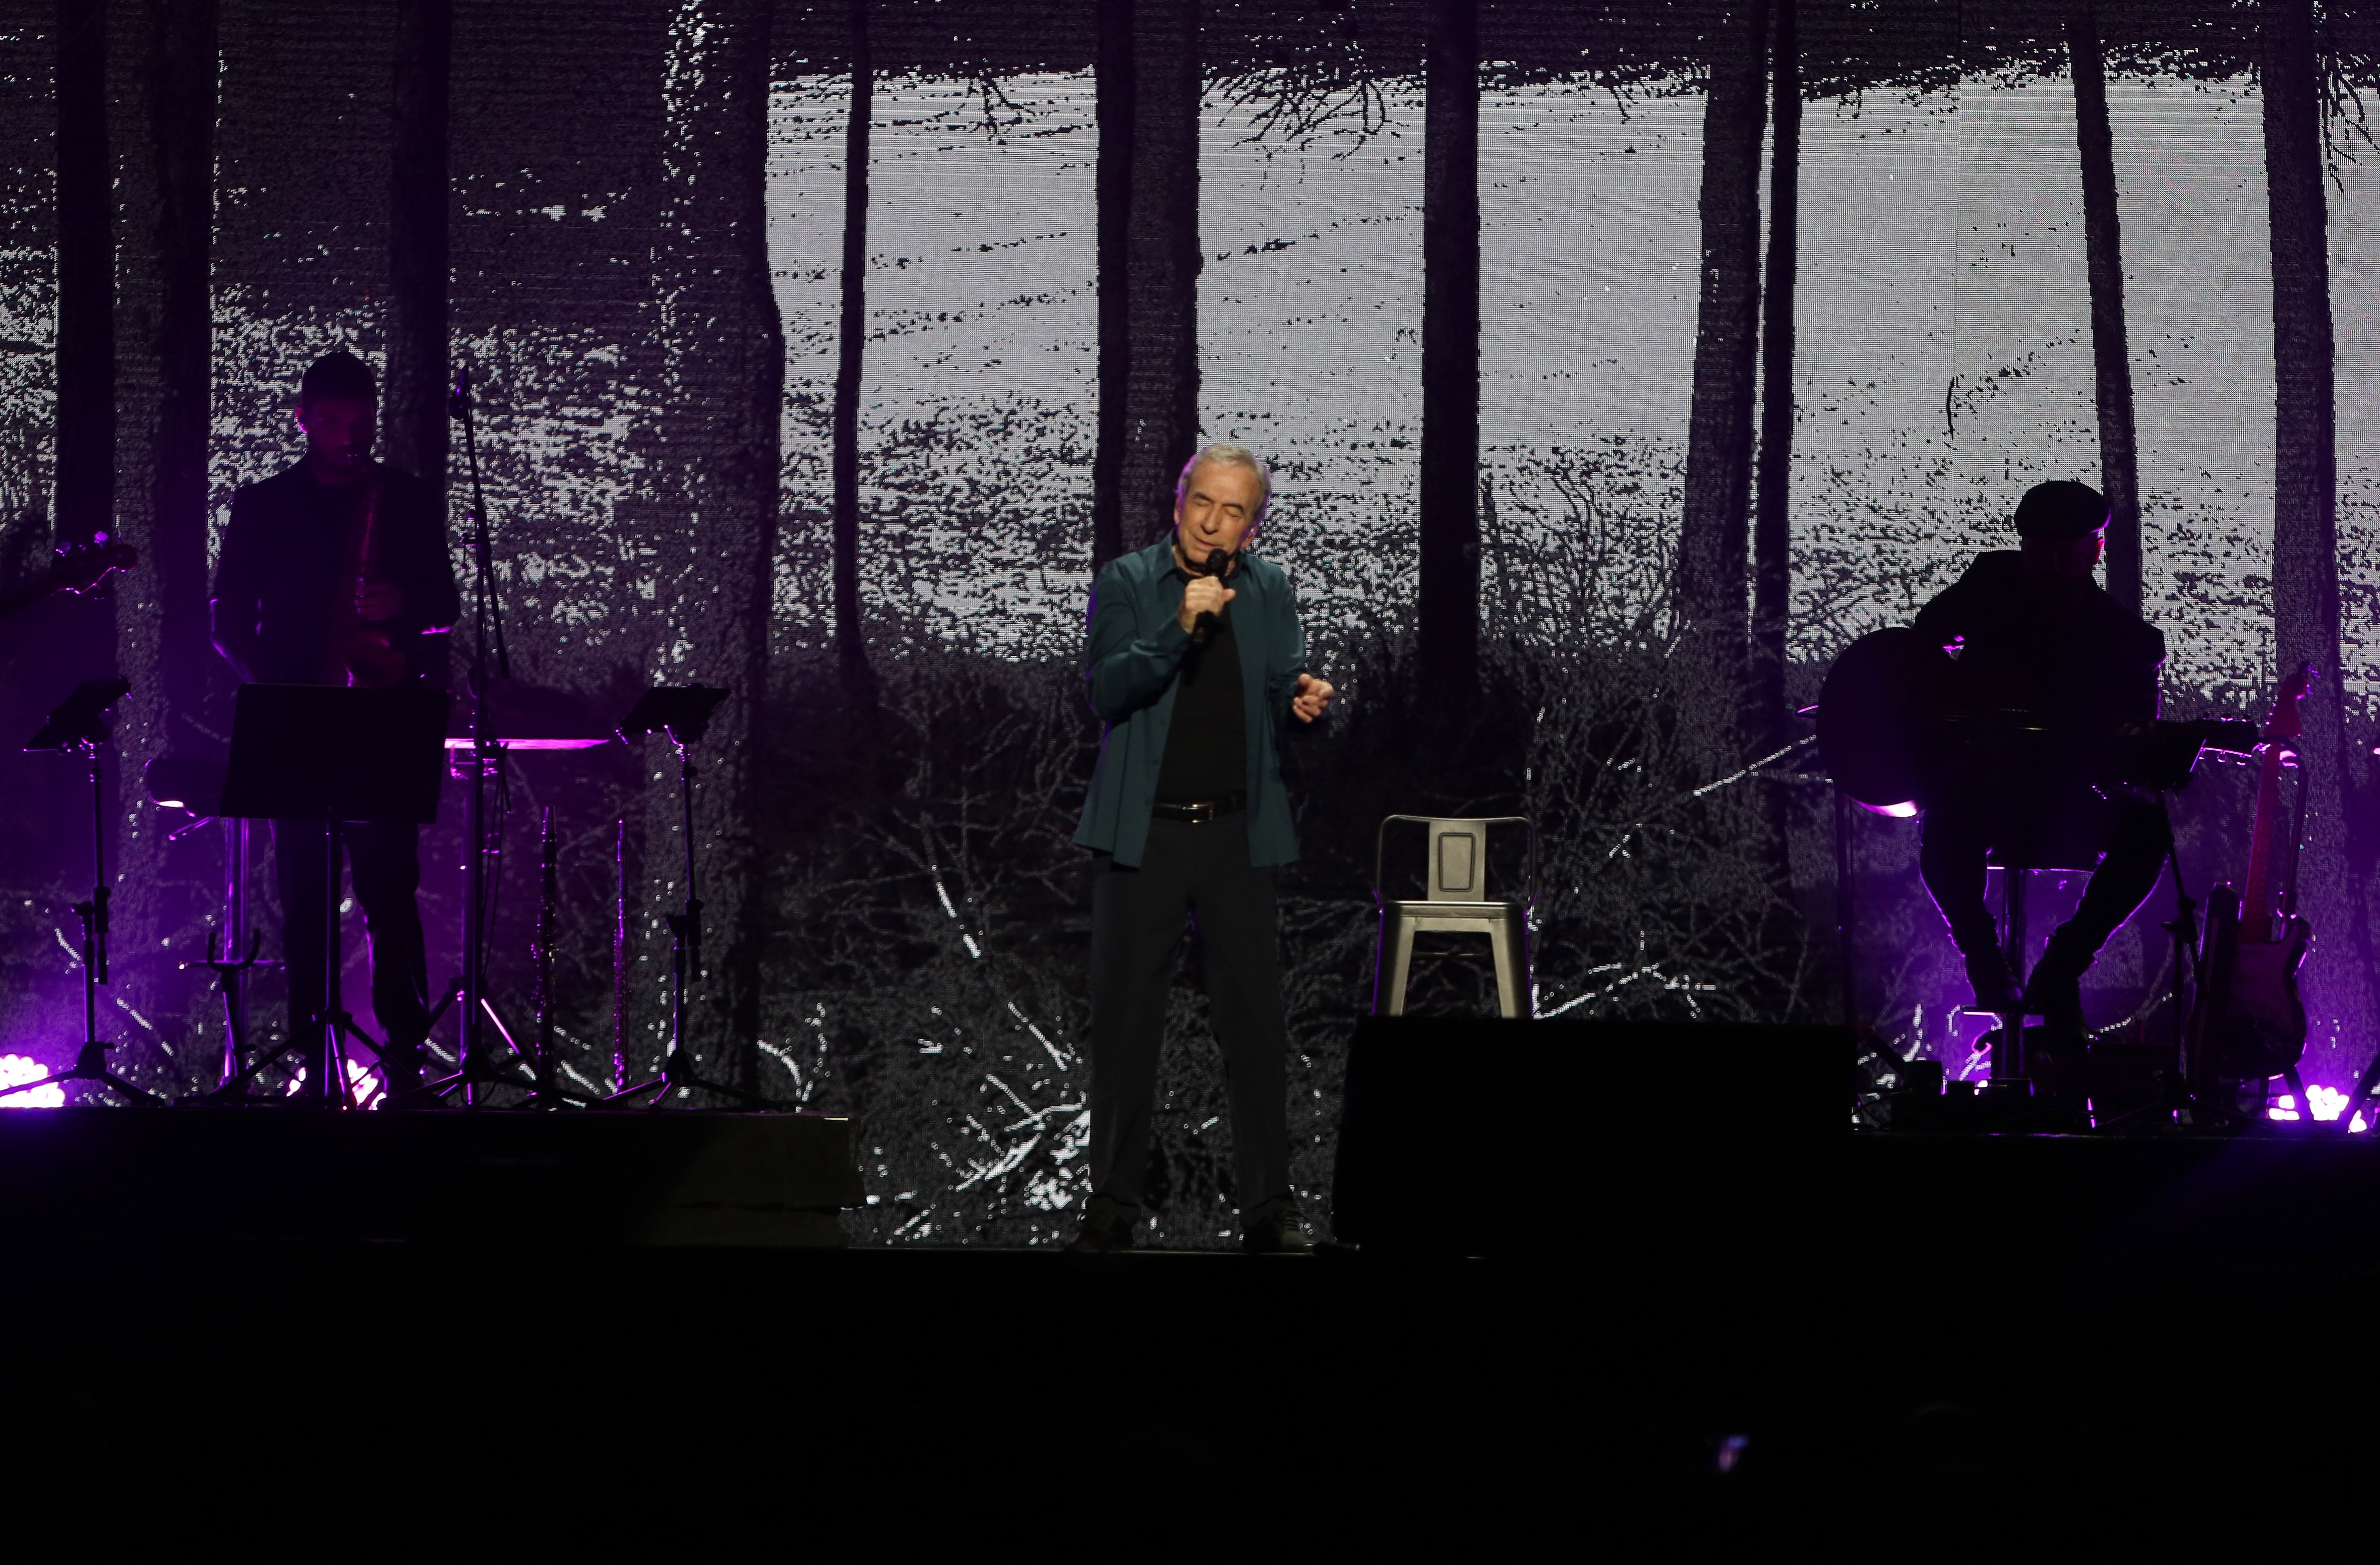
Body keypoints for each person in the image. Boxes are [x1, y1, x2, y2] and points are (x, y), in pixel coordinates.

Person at [1068, 444, 1335, 1254]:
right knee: (1125, 1025)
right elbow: (1108, 690)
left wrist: (1306, 702)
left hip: (1235, 832)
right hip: (1140, 833)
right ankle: (1112, 1203)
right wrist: (1179, 629)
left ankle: (1270, 1208)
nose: (1212, 523)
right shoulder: (1126, 581)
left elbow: (1283, 686)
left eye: (1233, 513)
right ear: (1179, 501)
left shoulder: (1271, 589)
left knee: (1255, 1023)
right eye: (1202, 504)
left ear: (1251, 529)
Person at [211, 350, 460, 1097]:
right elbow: (227, 619)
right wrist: (277, 687)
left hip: (380, 708)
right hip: (295, 708)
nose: (347, 436)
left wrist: (404, 606)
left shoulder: (405, 500)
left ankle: (406, 1058)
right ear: (303, 419)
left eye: (359, 422)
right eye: (332, 421)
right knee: (305, 898)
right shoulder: (262, 505)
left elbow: (443, 607)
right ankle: (312, 1061)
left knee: (391, 890)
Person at [1914, 479, 2168, 1053]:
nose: (2048, 564)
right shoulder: (1990, 585)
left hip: (2067, 800)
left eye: (2065, 551)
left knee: (2147, 833)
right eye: (2037, 549)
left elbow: (2129, 750)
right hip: (1983, 789)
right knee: (1944, 816)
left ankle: (2063, 965)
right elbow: (1921, 642)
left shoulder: (2126, 642)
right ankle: (1981, 952)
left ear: (2095, 550)